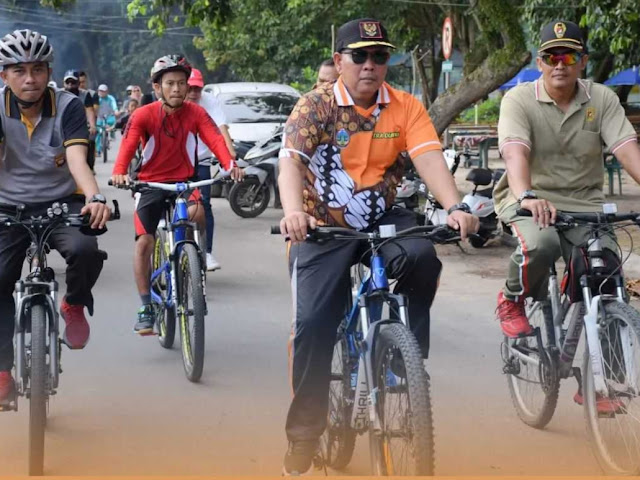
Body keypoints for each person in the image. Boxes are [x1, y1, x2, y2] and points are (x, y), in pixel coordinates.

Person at [277, 18, 478, 475]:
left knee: (424, 256)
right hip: (321, 225)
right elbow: (290, 164)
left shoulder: (405, 106)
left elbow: (427, 156)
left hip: (383, 217)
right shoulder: (315, 106)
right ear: (339, 61)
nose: (370, 65)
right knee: (312, 323)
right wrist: (293, 212)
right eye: (360, 55)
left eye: (380, 56)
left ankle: (405, 358)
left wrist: (455, 207)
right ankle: (305, 435)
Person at [494, 20, 640, 411]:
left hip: (586, 205)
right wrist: (527, 194)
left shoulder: (602, 99)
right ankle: (512, 298)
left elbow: (628, 150)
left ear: (582, 62)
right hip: (530, 198)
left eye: (569, 55)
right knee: (540, 243)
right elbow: (514, 152)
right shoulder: (519, 99)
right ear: (540, 62)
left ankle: (604, 383)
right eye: (551, 56)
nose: (560, 64)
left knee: (607, 274)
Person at [0, 30, 111, 406]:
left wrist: (95, 197)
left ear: (49, 71)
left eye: (37, 69)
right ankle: (2, 370)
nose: (29, 79)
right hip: (7, 206)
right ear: (4, 76)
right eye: (18, 70)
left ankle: (74, 304)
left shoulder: (69, 106)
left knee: (85, 249)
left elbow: (78, 160)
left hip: (61, 202)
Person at [110, 55, 243, 335]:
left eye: (181, 83)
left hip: (184, 182)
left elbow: (215, 140)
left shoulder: (196, 113)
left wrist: (230, 165)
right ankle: (146, 305)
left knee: (198, 214)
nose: (177, 89)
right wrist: (120, 171)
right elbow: (127, 146)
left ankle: (193, 264)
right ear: (157, 88)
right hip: (150, 184)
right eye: (170, 83)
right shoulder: (144, 115)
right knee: (144, 242)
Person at [186, 67, 236, 271]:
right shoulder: (173, 103)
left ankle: (206, 251)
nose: (192, 93)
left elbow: (221, 130)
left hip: (202, 161)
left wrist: (231, 159)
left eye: (197, 89)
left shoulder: (209, 102)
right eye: (189, 88)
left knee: (203, 204)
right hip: (175, 162)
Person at [63, 69, 97, 168]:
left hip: (81, 127)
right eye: (67, 82)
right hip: (64, 127)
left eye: (72, 82)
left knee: (90, 141)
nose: (70, 85)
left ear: (78, 83)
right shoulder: (59, 95)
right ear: (64, 83)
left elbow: (89, 110)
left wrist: (92, 125)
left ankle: (89, 167)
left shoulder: (85, 95)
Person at [96, 83, 117, 155]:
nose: (101, 92)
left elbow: (114, 106)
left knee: (113, 121)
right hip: (99, 117)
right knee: (98, 132)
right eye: (100, 91)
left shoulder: (110, 98)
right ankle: (98, 150)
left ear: (107, 91)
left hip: (109, 116)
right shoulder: (97, 99)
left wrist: (116, 111)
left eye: (103, 91)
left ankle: (112, 134)